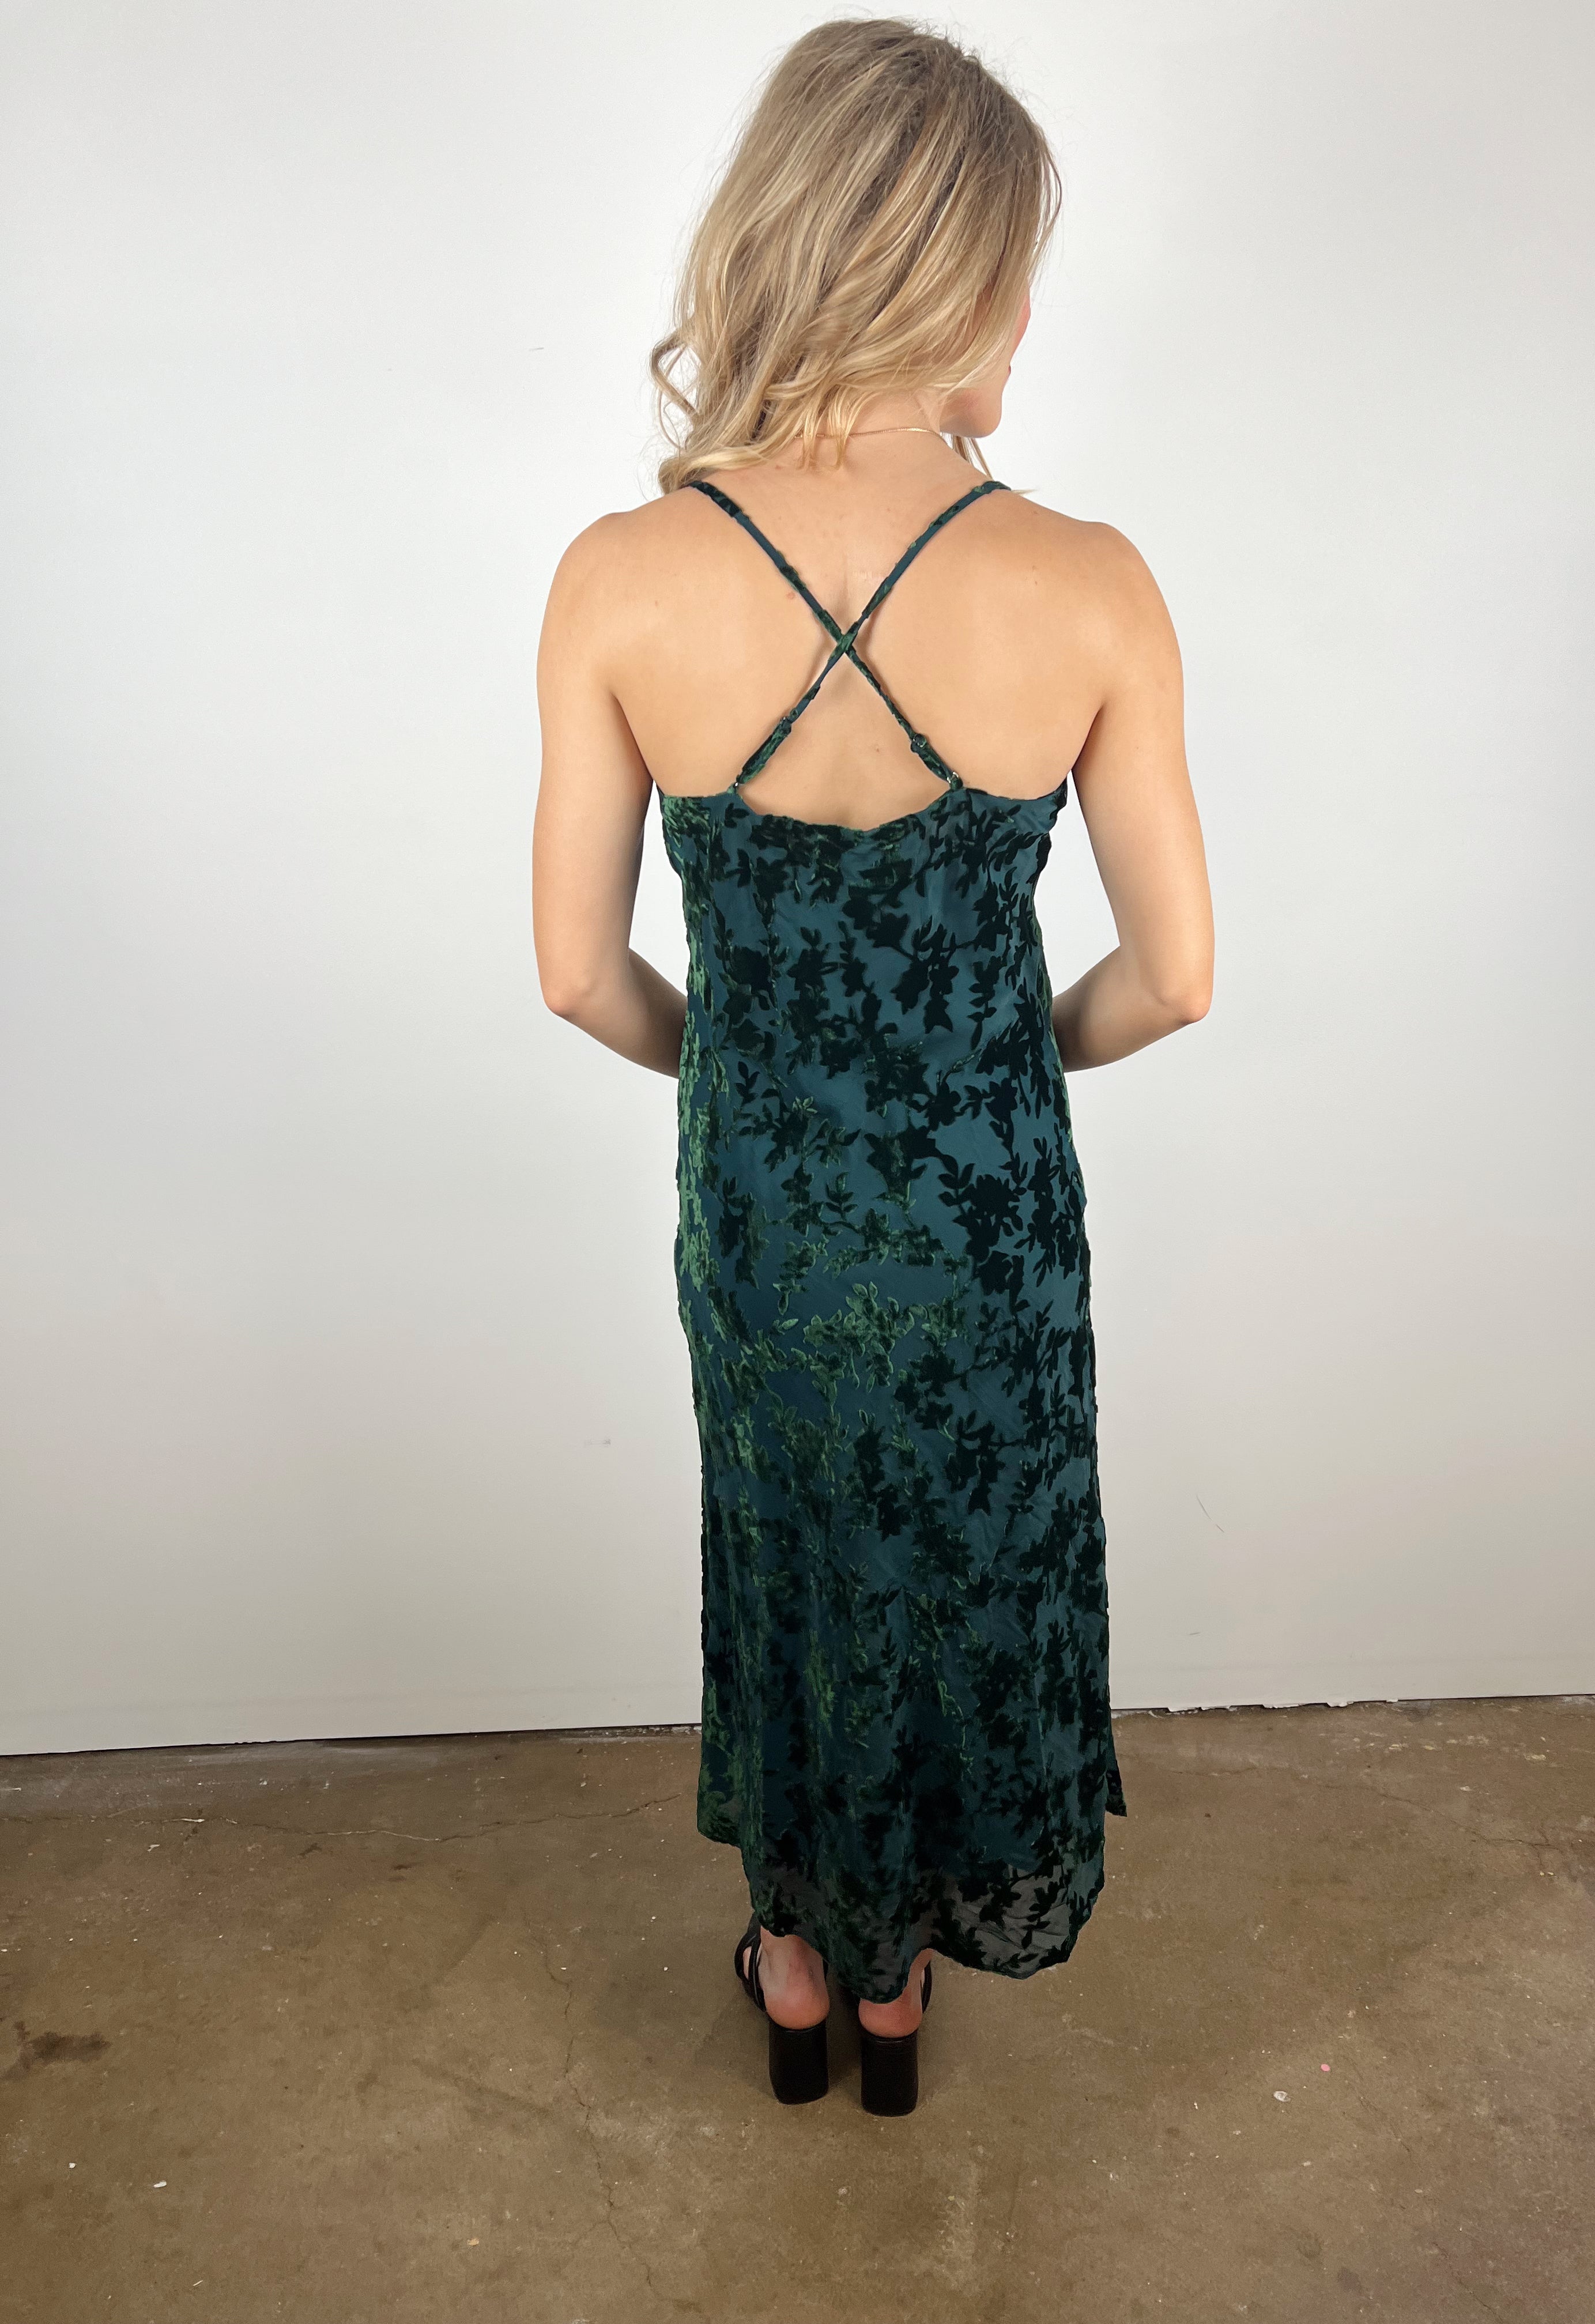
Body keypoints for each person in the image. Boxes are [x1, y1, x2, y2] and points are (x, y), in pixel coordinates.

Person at [532, 17, 1213, 2115]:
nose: (1029, 324)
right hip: (986, 1198)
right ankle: (906, 1985)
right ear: (947, 274)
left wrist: (746, 1077)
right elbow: (1177, 979)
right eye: (1020, 275)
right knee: (963, 1560)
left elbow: (576, 975)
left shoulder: (619, 577)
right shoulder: (1090, 584)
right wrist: (998, 1068)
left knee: (796, 1555)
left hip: (761, 1195)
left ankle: (802, 1964)